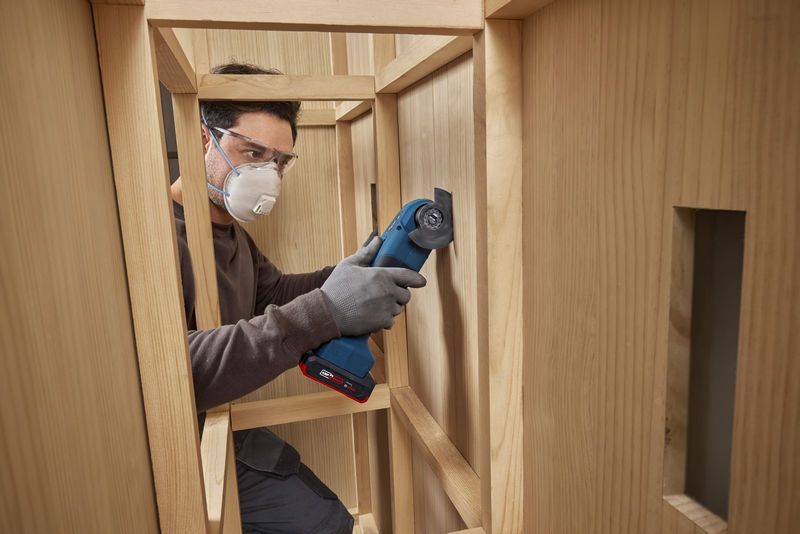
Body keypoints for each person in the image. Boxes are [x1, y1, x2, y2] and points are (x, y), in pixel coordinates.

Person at [169, 63, 426, 533]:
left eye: (279, 162)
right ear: (201, 136)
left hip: (221, 430)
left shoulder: (227, 233)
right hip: (173, 452)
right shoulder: (155, 236)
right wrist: (328, 309)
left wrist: (348, 276)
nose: (266, 174)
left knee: (330, 516)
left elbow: (271, 293)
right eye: (252, 153)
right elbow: (182, 370)